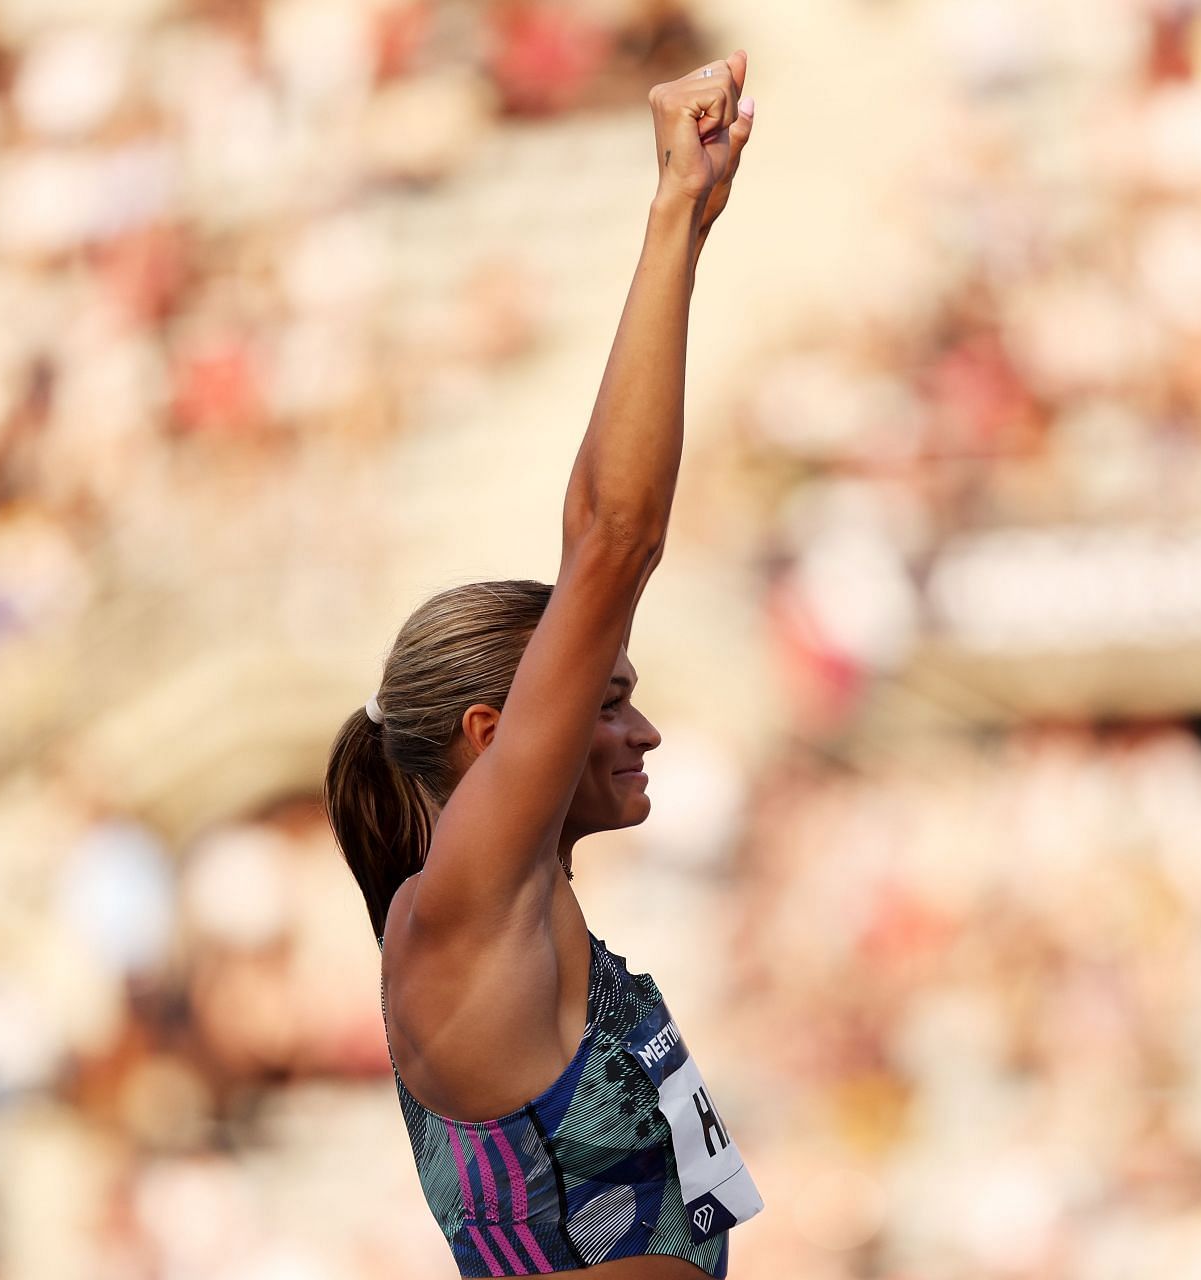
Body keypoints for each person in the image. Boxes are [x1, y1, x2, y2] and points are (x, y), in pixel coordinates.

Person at [323, 51, 763, 1279]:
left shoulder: (512, 908)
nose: (644, 730)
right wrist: (676, 215)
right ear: (489, 734)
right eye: (607, 701)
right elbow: (612, 542)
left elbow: (589, 539)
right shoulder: (459, 905)